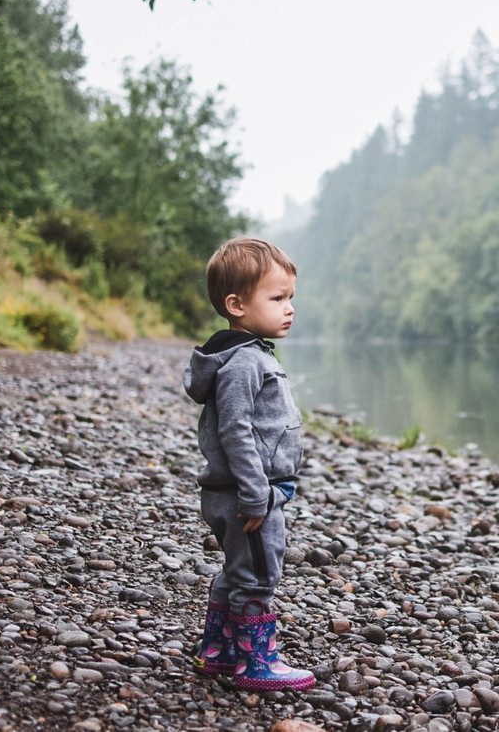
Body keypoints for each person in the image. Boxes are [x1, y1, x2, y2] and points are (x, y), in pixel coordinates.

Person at [182, 237, 315, 691]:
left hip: (238, 492)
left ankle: (217, 652)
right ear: (236, 304)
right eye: (277, 298)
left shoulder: (248, 353)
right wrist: (257, 495)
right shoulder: (242, 362)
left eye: (290, 297)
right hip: (248, 497)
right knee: (258, 577)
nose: (289, 308)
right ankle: (256, 664)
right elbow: (234, 431)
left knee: (237, 570)